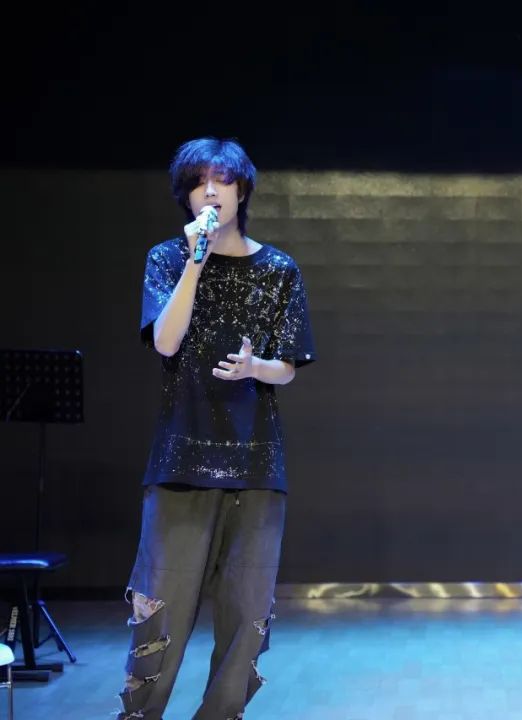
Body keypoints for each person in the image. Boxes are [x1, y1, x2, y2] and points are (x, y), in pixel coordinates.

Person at [118, 137, 315, 720]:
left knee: (245, 618)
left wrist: (255, 368)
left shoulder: (278, 270)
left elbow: (288, 367)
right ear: (185, 196)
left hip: (255, 465)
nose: (210, 192)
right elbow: (166, 341)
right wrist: (195, 261)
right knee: (161, 616)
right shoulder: (166, 259)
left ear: (242, 190)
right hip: (180, 463)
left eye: (221, 181)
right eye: (198, 183)